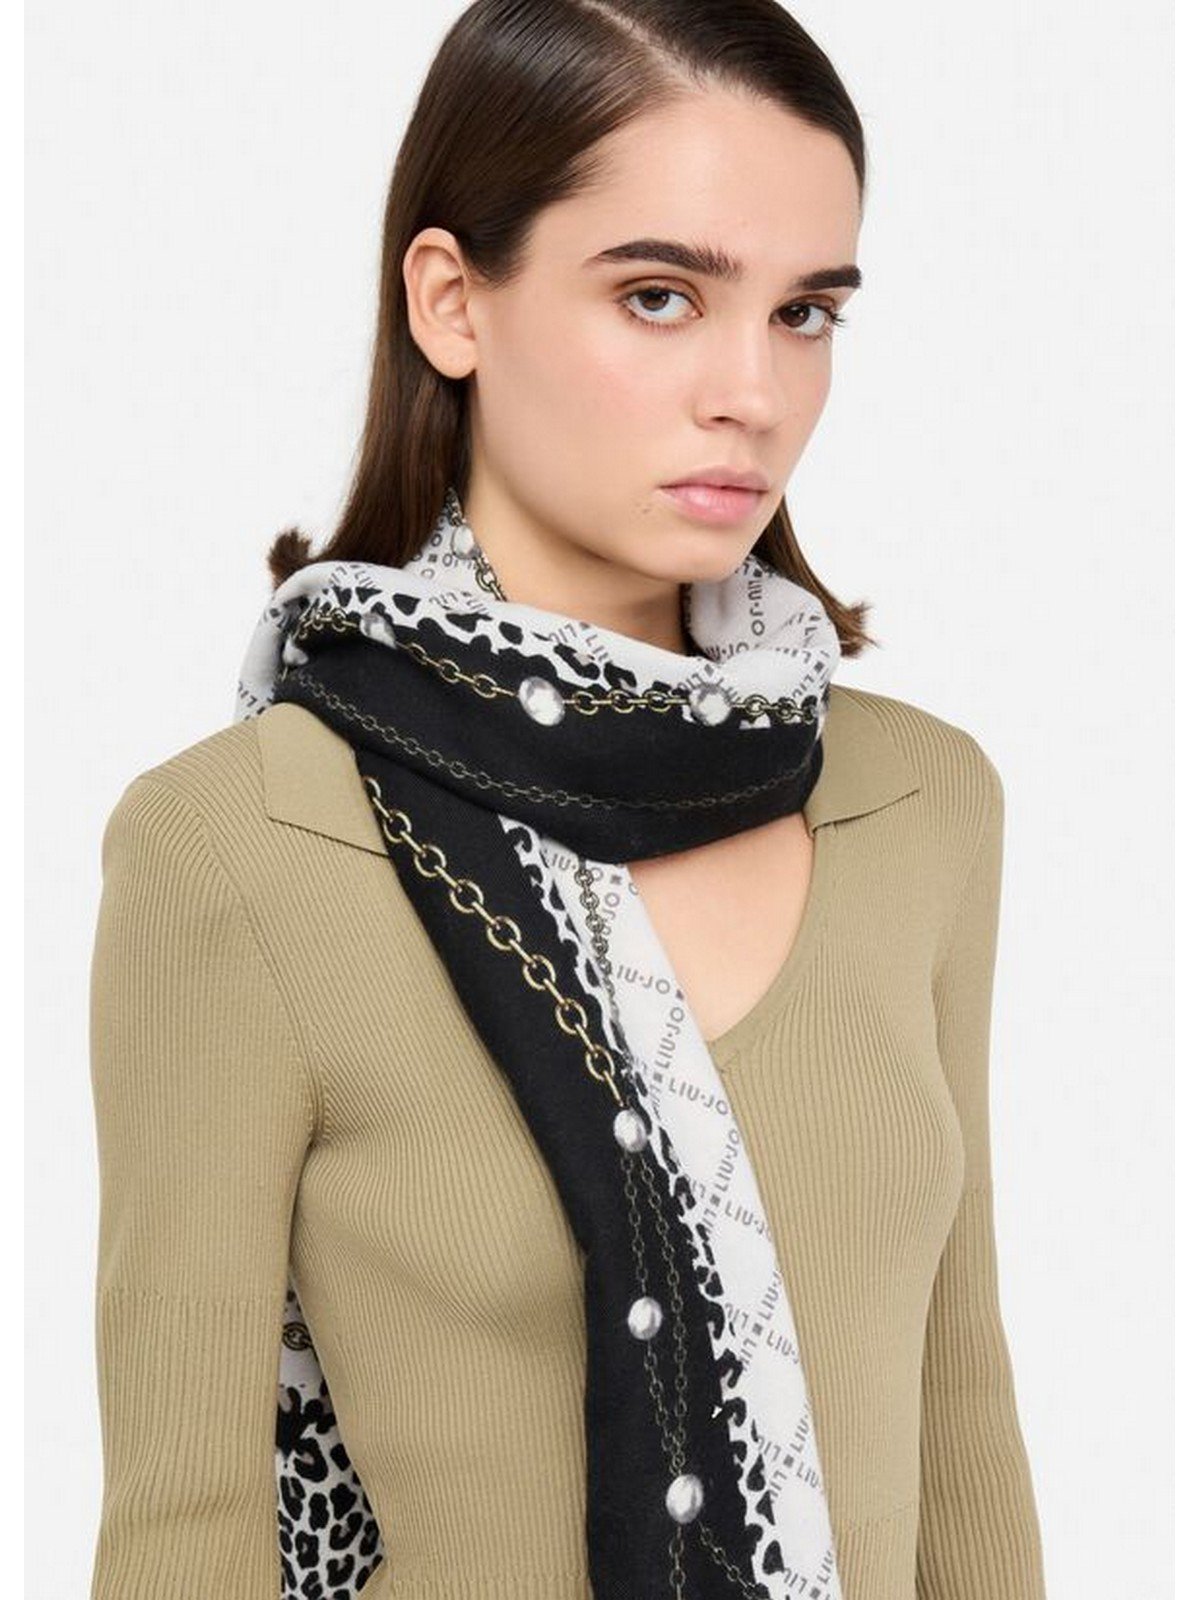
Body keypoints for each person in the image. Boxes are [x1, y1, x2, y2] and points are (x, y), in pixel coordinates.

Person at [86, 2, 1047, 1597]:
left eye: (805, 313)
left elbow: (965, 1447)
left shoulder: (918, 804)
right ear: (453, 301)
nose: (753, 391)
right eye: (660, 297)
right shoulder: (238, 847)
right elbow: (187, 1528)